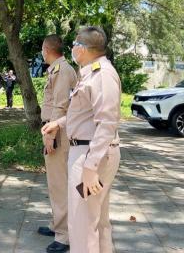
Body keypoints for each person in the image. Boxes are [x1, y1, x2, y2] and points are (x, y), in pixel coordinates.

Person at [42, 26, 121, 253]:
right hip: (87, 150)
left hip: (90, 153)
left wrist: (90, 166)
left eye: (75, 44)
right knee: (97, 222)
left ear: (83, 49)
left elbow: (107, 123)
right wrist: (59, 123)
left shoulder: (102, 74)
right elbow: (84, 114)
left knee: (83, 227)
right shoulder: (91, 73)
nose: (72, 48)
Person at [38, 35, 77, 253]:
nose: (42, 53)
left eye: (42, 49)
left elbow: (61, 106)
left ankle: (64, 235)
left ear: (47, 49)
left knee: (60, 184)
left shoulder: (62, 70)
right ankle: (57, 225)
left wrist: (51, 135)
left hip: (58, 132)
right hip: (54, 129)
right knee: (55, 183)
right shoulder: (57, 69)